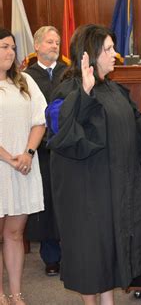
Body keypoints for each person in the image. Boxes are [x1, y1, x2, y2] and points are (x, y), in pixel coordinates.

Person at [46, 24, 141, 304]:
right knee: (91, 254)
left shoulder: (113, 90)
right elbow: (60, 128)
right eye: (108, 49)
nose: (115, 54)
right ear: (90, 55)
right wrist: (83, 93)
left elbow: (130, 124)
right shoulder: (67, 90)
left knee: (108, 251)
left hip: (113, 189)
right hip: (86, 194)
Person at [0, 28, 46, 304]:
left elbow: (39, 120)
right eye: (4, 46)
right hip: (3, 165)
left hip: (24, 166)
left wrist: (28, 153)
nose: (10, 52)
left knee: (15, 233)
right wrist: (8, 157)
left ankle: (16, 295)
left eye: (13, 47)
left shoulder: (25, 81)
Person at [24, 26, 66, 277]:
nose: (54, 46)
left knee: (67, 200)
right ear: (37, 46)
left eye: (58, 42)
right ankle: (51, 256)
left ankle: (71, 251)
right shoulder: (26, 78)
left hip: (66, 147)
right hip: (40, 150)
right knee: (46, 202)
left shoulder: (68, 74)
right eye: (50, 42)